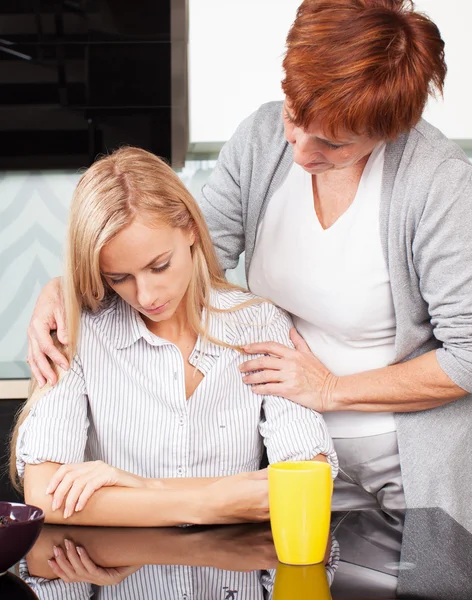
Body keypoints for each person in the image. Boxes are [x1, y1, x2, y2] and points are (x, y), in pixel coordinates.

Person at [26, 0, 472, 527]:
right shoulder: (262, 138)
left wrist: (330, 390)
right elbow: (183, 245)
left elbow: (467, 354)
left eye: (333, 143)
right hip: (295, 444)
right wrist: (69, 286)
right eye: (294, 116)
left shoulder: (439, 182)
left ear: (389, 131)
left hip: (405, 463)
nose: (301, 150)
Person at [11, 147, 337, 527]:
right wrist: (212, 502)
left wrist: (142, 489)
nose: (146, 296)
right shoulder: (78, 334)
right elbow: (44, 497)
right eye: (119, 278)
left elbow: (309, 485)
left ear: (191, 229)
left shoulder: (258, 323)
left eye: (159, 266)